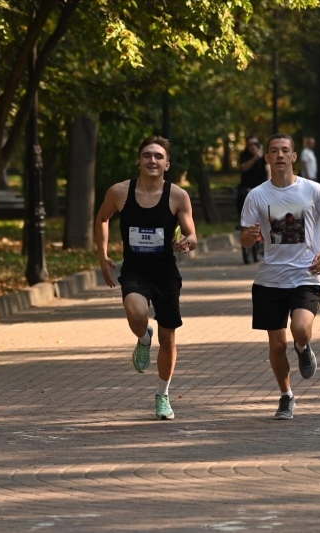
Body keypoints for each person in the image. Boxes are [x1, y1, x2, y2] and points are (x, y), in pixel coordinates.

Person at [240, 133, 320, 420]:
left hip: (306, 275)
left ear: (293, 156)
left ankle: (303, 346)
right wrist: (248, 237)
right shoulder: (257, 195)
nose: (279, 156)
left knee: (300, 329)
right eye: (274, 151)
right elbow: (247, 240)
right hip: (269, 280)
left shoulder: (312, 190)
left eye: (285, 151)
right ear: (267, 157)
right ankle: (286, 396)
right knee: (276, 345)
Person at [94, 136, 197, 421]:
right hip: (135, 270)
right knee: (136, 312)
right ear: (139, 161)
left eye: (158, 156)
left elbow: (192, 234)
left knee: (168, 338)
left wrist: (186, 243)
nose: (153, 160)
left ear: (167, 163)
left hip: (165, 273)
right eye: (147, 155)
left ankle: (163, 395)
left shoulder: (177, 196)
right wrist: (102, 254)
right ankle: (142, 336)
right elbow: (102, 218)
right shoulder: (120, 192)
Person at [236, 135, 270, 220]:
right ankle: (243, 220)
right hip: (246, 185)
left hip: (261, 185)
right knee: (241, 196)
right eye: (250, 144)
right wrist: (255, 158)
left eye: (255, 144)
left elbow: (268, 169)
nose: (252, 146)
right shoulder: (244, 155)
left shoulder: (264, 156)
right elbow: (243, 168)